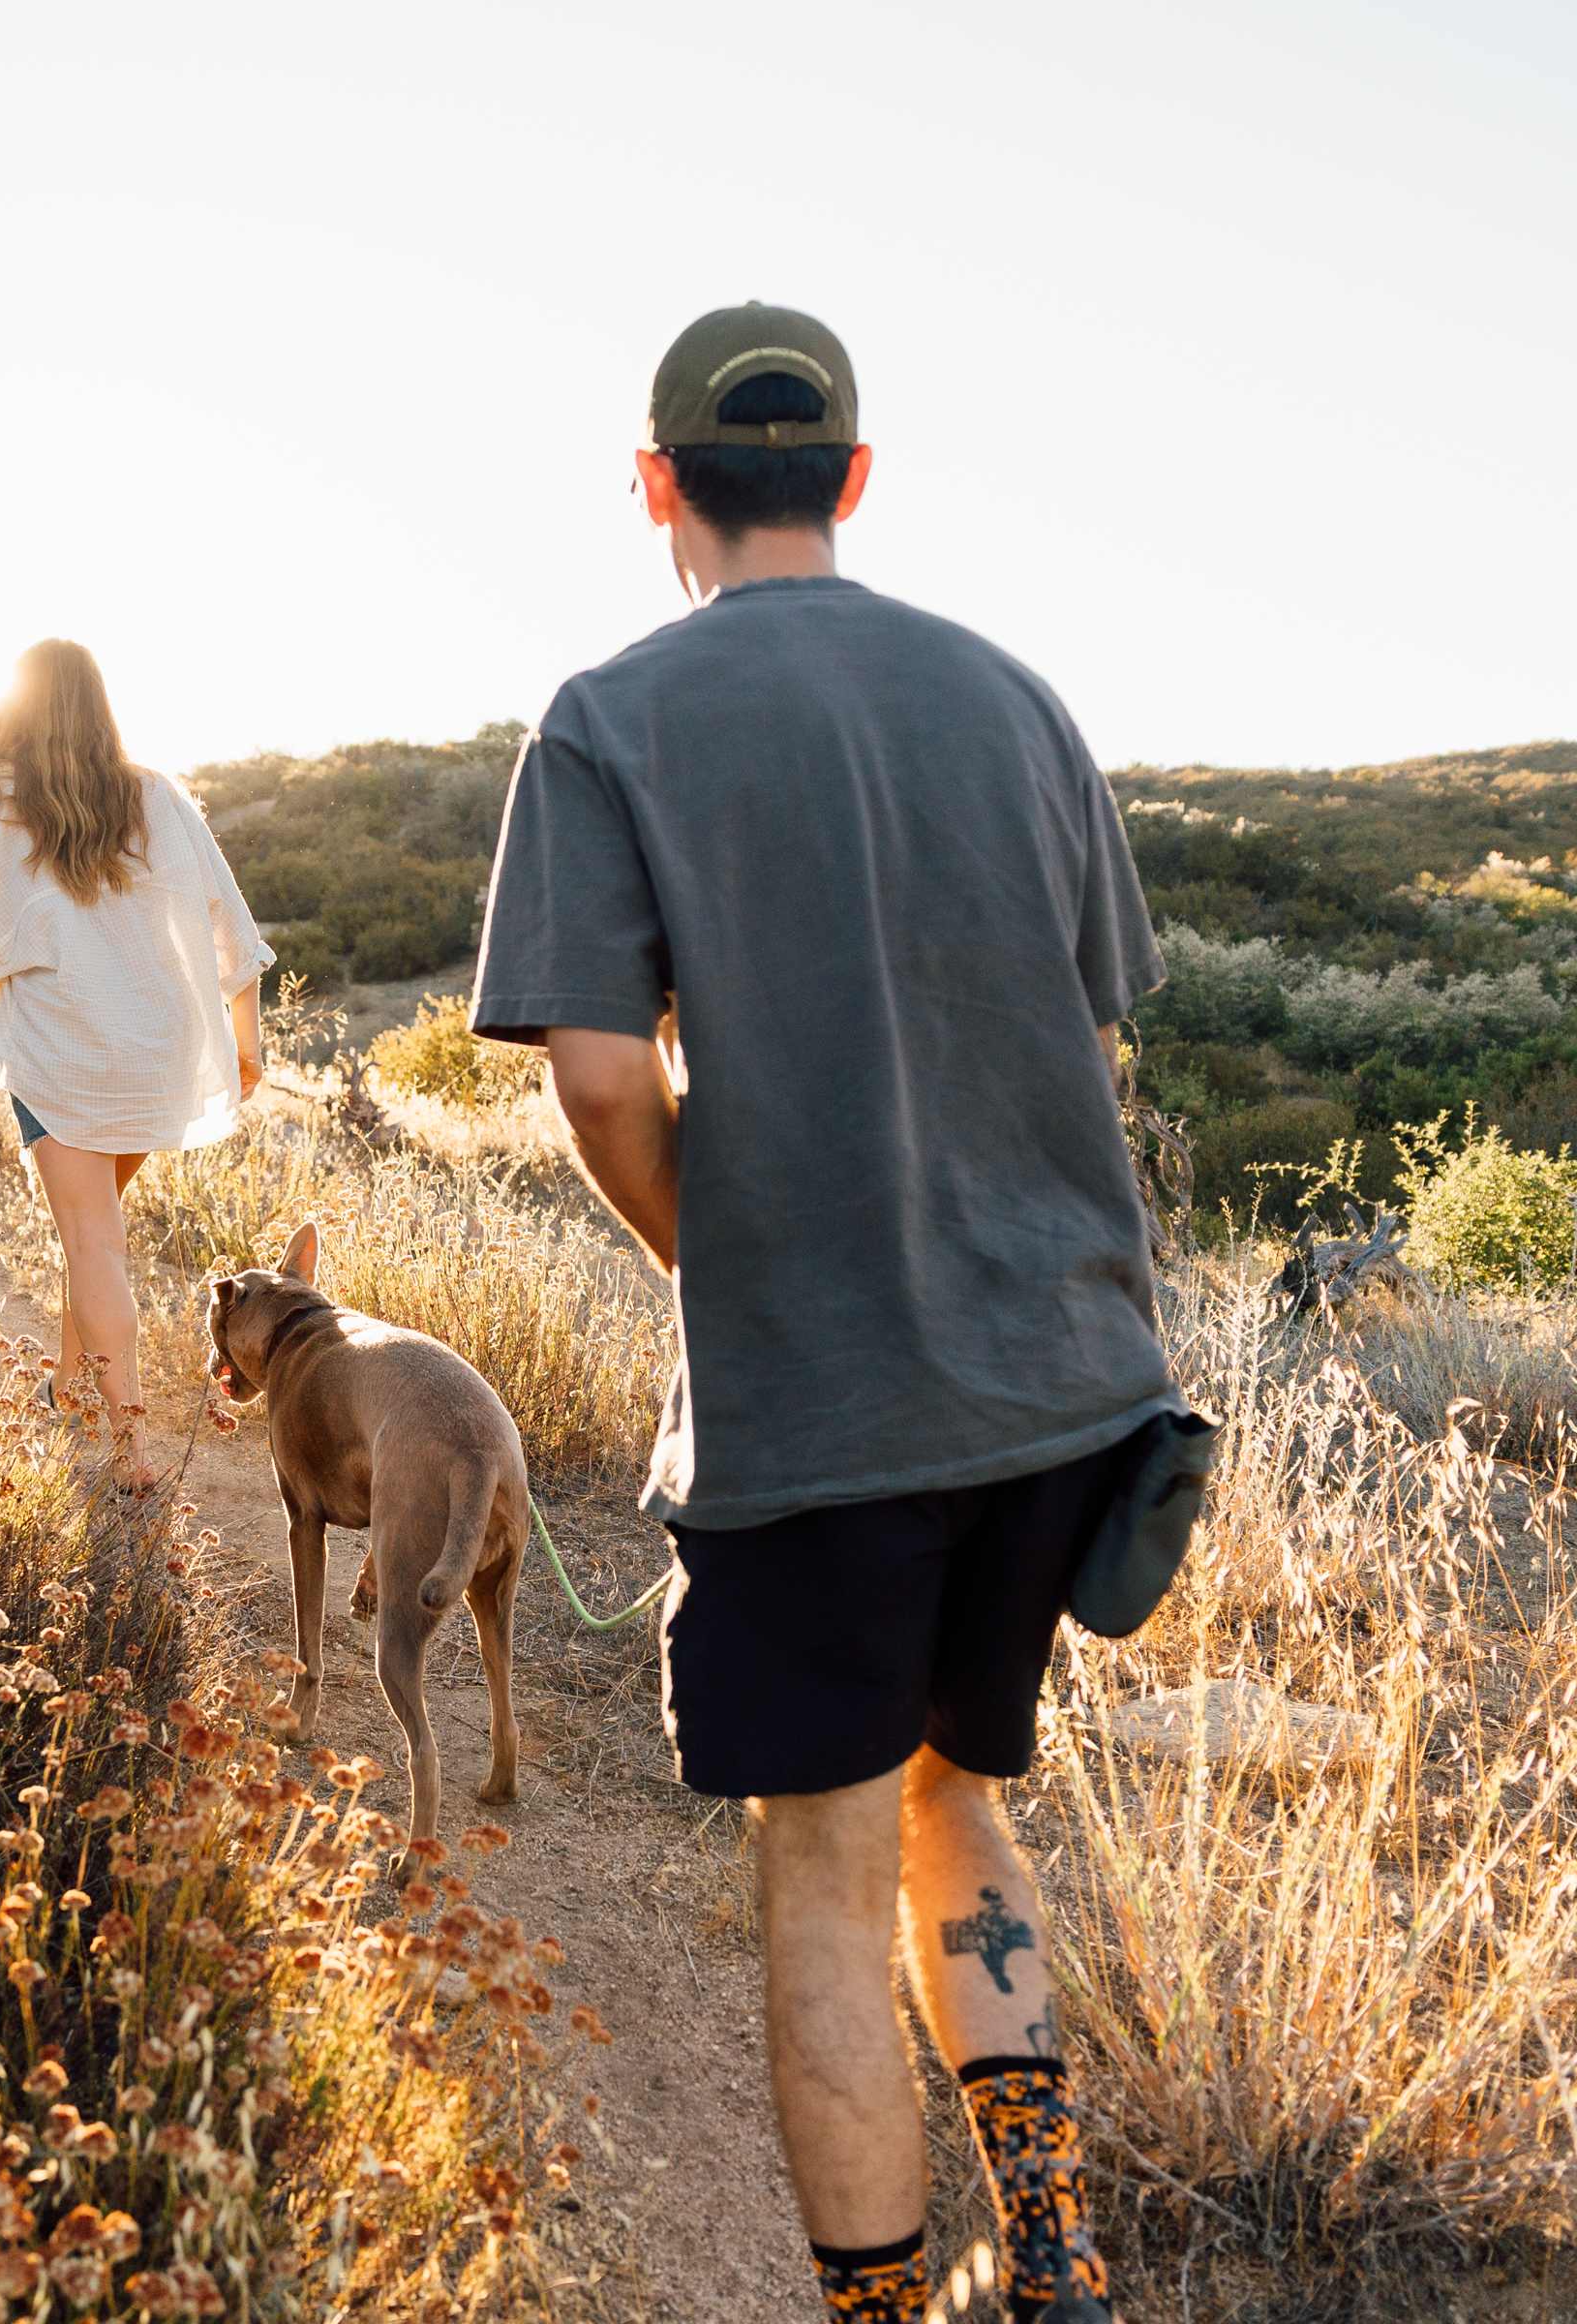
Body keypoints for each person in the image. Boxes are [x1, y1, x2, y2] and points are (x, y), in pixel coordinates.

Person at [467, 304, 1171, 2324]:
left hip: (827, 1420)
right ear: (852, 478)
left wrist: (738, 1268)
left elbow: (603, 1079)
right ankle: (1054, 2261)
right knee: (964, 1797)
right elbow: (1075, 1025)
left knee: (822, 1879)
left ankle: (878, 2312)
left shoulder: (608, 720)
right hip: (1058, 1391)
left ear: (658, 483)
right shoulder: (1017, 699)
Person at [0, 638, 273, 1489]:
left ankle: (131, 1447)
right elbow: (228, 921)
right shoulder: (154, 794)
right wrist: (246, 1039)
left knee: (94, 1240)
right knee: (96, 1231)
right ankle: (70, 1386)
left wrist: (38, 937)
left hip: (64, 1052)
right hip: (158, 1047)